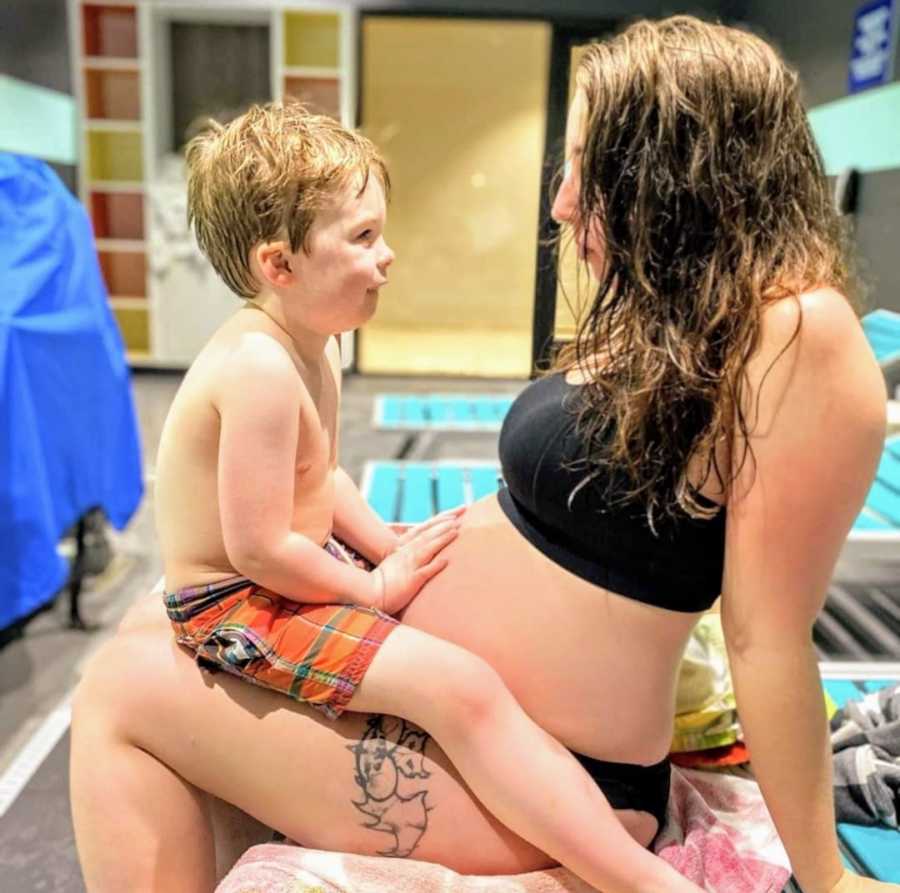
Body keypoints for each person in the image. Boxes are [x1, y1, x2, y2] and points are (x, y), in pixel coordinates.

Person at [70, 16, 897, 893]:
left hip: (556, 774)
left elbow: (767, 635)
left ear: (675, 176)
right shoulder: (672, 318)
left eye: (588, 166)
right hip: (469, 731)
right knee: (148, 628)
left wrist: (830, 880)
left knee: (117, 693)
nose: (564, 201)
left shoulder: (797, 332)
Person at [99, 100, 699, 893]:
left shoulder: (315, 344)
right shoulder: (259, 371)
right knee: (459, 687)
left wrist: (384, 542)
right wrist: (371, 587)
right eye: (362, 238)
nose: (387, 256)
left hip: (277, 572)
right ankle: (637, 878)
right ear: (278, 264)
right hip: (231, 605)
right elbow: (258, 547)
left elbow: (323, 479)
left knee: (458, 684)